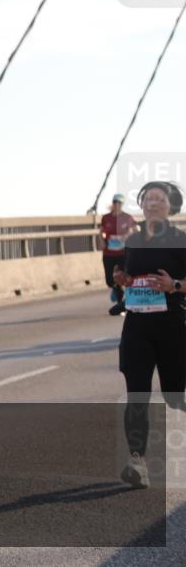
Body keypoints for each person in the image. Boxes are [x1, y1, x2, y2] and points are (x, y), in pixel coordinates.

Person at [112, 181, 186, 488]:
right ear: (141, 205)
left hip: (172, 327)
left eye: (160, 199)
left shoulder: (180, 240)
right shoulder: (133, 241)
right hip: (138, 327)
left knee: (174, 396)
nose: (153, 203)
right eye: (148, 199)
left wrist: (176, 286)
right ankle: (137, 461)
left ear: (171, 206)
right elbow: (129, 276)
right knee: (138, 394)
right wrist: (123, 279)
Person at [99, 193, 138, 316]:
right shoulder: (106, 218)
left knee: (123, 276)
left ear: (122, 204)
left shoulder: (127, 217)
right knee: (109, 280)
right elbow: (101, 232)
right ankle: (116, 288)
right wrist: (101, 241)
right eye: (115, 202)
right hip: (109, 253)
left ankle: (121, 303)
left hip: (123, 253)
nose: (116, 204)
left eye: (119, 203)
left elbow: (137, 230)